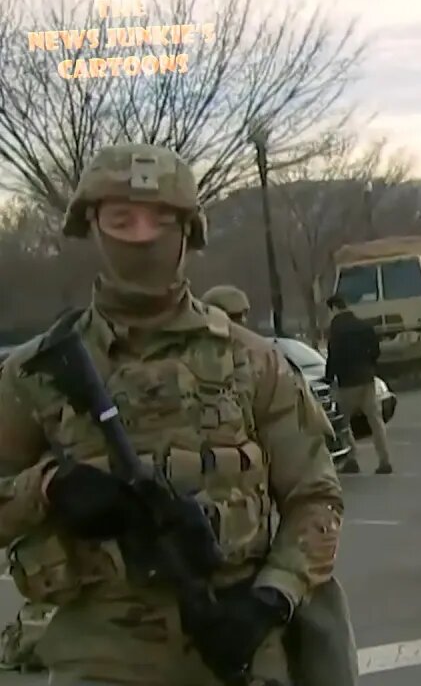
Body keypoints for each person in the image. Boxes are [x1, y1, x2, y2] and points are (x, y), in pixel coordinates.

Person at [0, 143, 345, 684]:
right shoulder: (33, 373)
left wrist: (269, 601)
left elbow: (316, 496)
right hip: (101, 655)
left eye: (161, 220)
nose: (142, 237)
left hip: (240, 646)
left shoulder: (253, 361)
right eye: (121, 220)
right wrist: (47, 490)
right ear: (91, 225)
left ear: (188, 232)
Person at [324, 294, 392, 475]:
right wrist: (369, 366)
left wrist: (329, 378)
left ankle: (352, 459)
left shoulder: (336, 329)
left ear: (333, 308)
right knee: (375, 421)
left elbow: (334, 356)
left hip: (347, 382)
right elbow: (376, 350)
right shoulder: (363, 325)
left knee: (344, 423)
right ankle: (385, 460)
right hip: (367, 379)